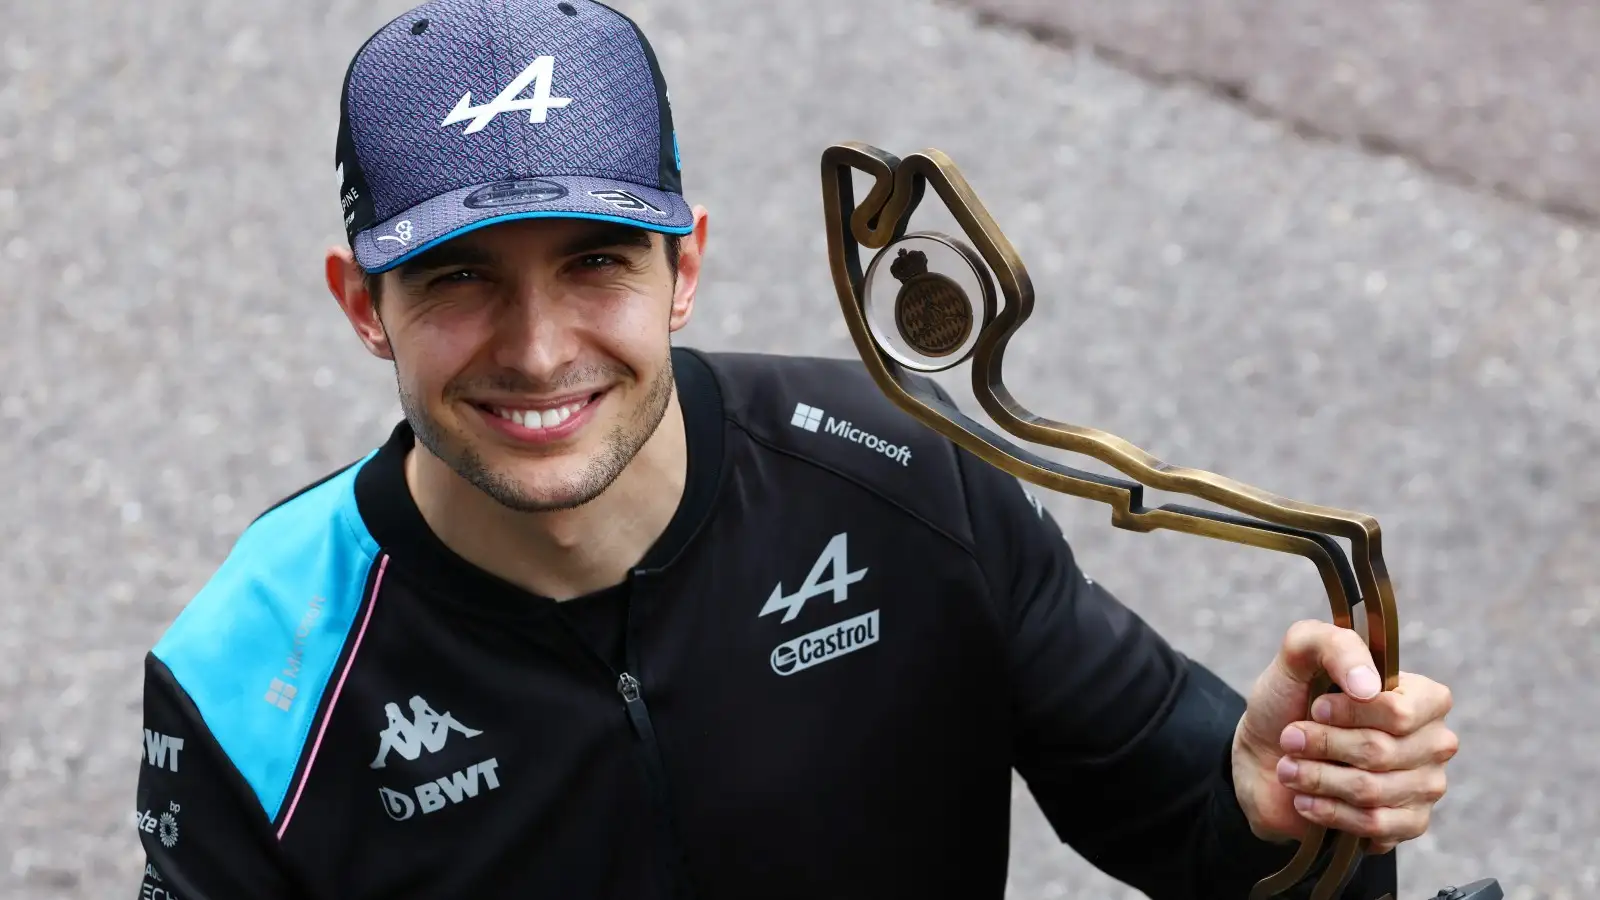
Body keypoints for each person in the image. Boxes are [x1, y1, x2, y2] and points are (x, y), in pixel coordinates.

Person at [131, 1, 1460, 898]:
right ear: (364, 306)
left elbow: (1203, 828)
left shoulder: (903, 473)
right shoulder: (252, 675)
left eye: (596, 263)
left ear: (687, 265)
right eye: (459, 280)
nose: (538, 352)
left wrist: (1270, 796)